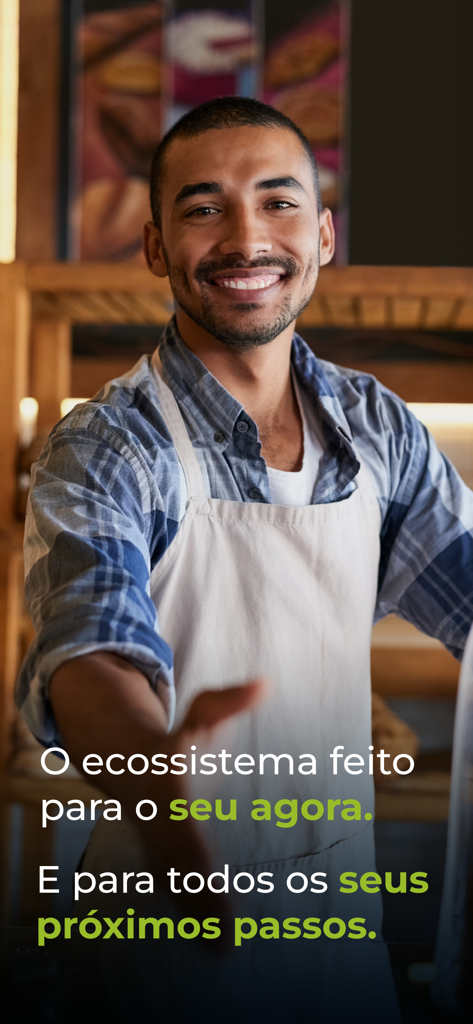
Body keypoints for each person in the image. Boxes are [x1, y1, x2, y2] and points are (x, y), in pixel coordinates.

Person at [17, 97, 473, 1022]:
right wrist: (166, 800)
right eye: (202, 208)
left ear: (322, 233)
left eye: (276, 202)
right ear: (154, 246)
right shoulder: (107, 446)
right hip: (163, 917)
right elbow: (89, 651)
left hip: (337, 925)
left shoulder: (374, 429)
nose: (245, 238)